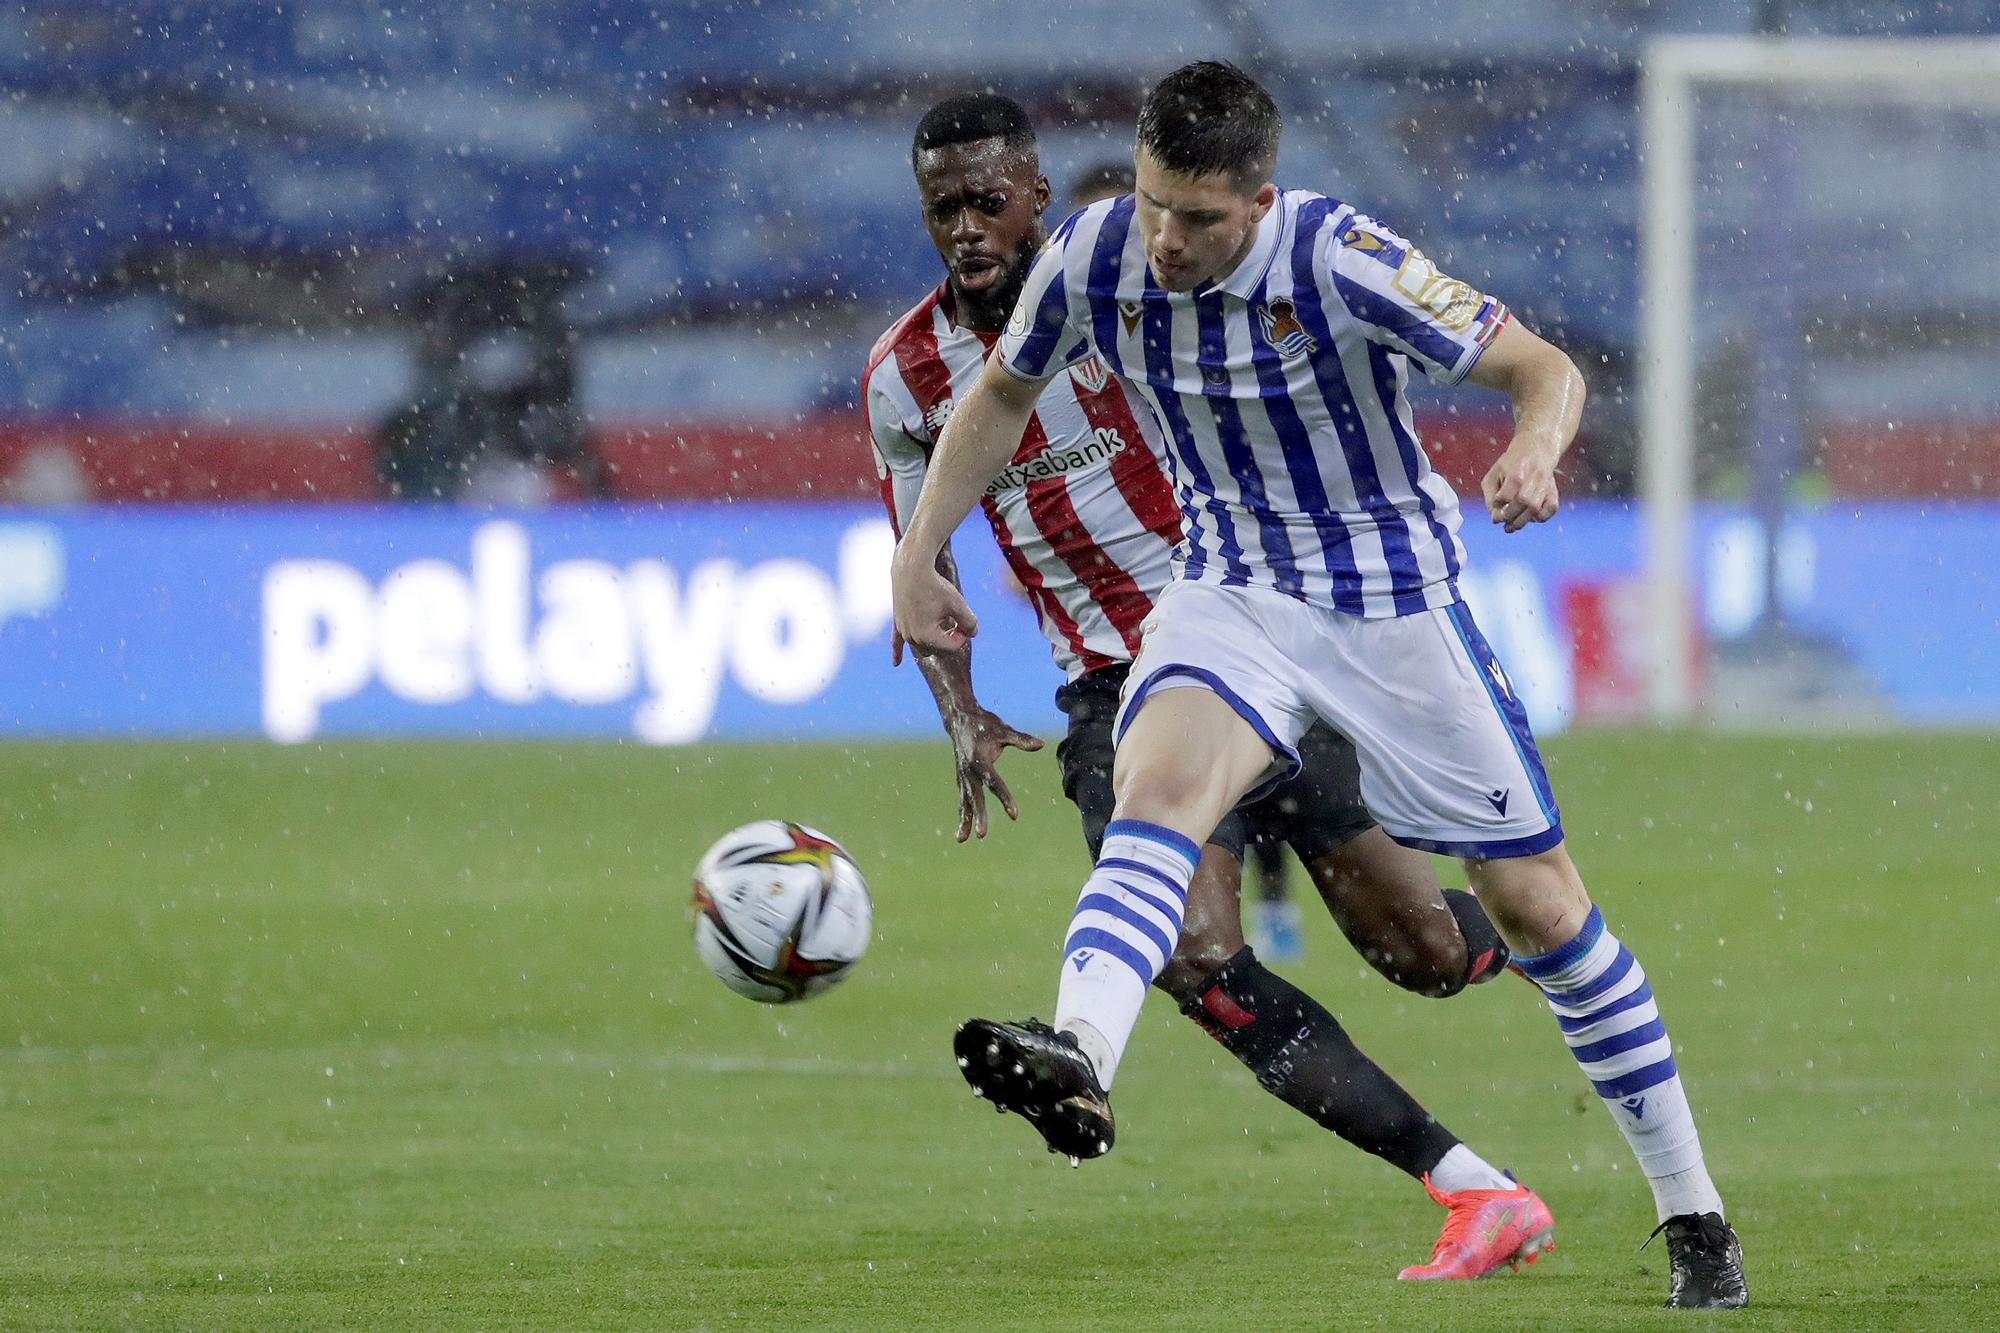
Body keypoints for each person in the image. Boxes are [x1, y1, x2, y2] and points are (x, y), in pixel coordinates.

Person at [890, 65, 1747, 1310]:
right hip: (1228, 588)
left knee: (1535, 912)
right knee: (1158, 798)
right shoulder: (1090, 253)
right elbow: (999, 396)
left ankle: (1692, 1213)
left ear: (1258, 199)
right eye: (1150, 205)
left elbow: (1541, 367)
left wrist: (1530, 445)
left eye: (1197, 218)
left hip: (1388, 600)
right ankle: (1075, 1046)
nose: (1165, 241)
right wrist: (917, 556)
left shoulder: (1341, 258)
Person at [1065, 163, 1308, 963]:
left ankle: (1279, 905)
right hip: (1150, 625)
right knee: (1189, 791)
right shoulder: (1067, 347)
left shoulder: (1196, 336)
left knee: (1273, 772)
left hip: (1247, 590)